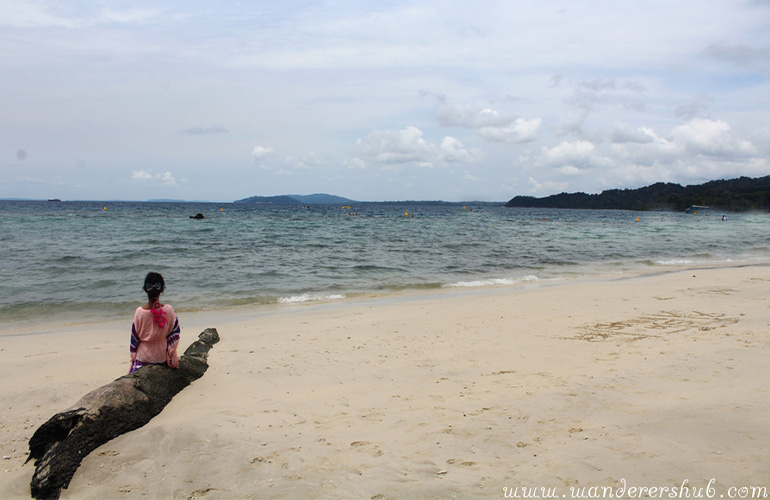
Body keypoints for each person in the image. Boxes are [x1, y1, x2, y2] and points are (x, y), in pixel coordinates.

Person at [129, 272, 181, 374]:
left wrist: (133, 355)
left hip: (143, 358)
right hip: (161, 357)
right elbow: (175, 331)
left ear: (145, 290)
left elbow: (134, 338)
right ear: (162, 289)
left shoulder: (139, 312)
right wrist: (170, 350)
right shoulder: (169, 310)